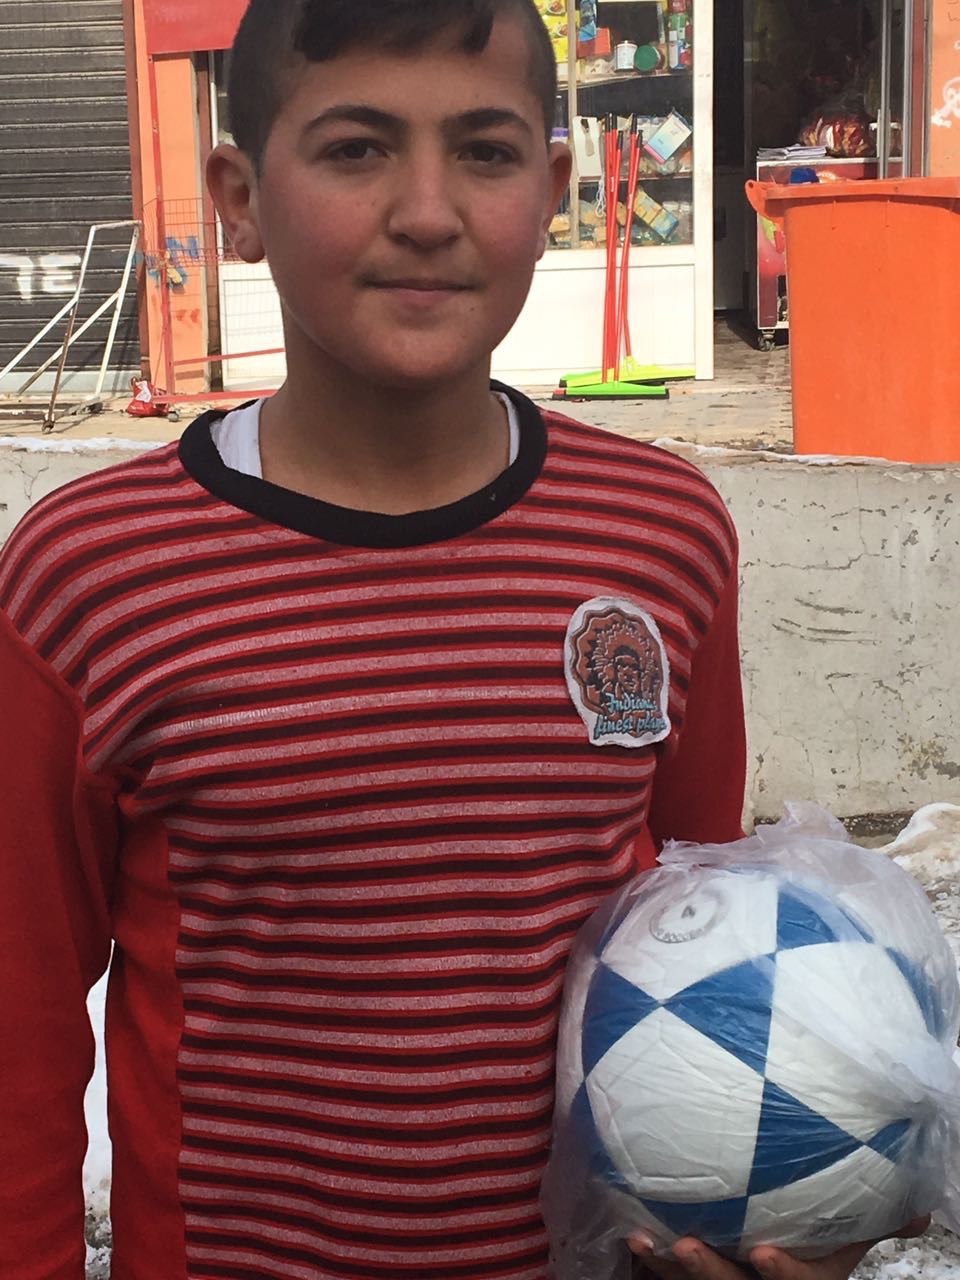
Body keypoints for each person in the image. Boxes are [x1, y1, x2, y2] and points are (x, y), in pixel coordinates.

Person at [0, 1, 925, 1277]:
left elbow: (702, 926)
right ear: (240, 198)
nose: (428, 211)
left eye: (486, 151)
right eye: (356, 148)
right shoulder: (90, 576)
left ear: (553, 190)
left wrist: (780, 1197)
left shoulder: (661, 535)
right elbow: (21, 1015)